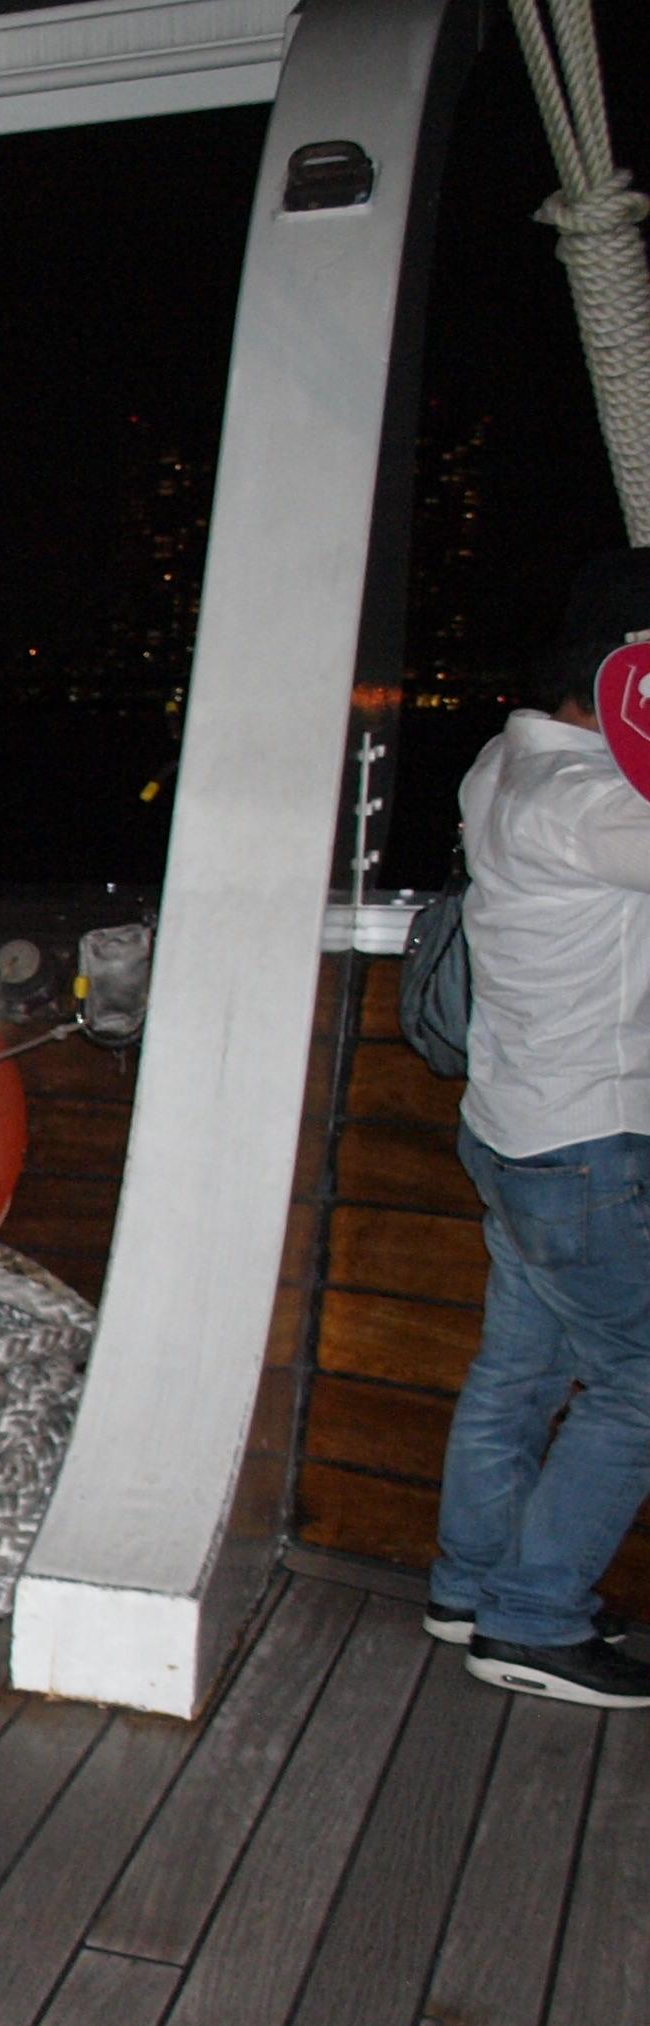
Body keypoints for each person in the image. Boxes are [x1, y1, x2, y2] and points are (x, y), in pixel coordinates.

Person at [429, 548, 650, 1709]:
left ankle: (473, 1587)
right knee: (642, 1386)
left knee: (519, 1371)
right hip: (583, 1147)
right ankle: (532, 1618)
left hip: (514, 1129)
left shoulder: (499, 767)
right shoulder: (594, 805)